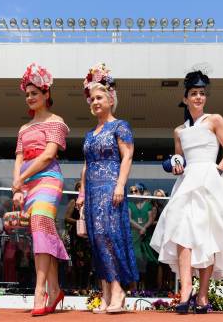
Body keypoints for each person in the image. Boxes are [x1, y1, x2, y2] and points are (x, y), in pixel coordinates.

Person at [151, 70, 223, 314]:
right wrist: (174, 165)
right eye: (194, 93)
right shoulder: (179, 130)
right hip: (187, 183)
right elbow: (179, 160)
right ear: (185, 98)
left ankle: (203, 295)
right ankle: (185, 291)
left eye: (202, 93)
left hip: (211, 180)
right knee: (181, 234)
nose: (199, 97)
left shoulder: (215, 120)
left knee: (208, 236)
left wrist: (218, 170)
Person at [76, 63, 138, 314]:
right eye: (92, 99)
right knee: (96, 239)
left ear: (111, 99)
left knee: (110, 236)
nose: (95, 102)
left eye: (99, 97)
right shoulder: (90, 133)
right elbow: (85, 165)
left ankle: (118, 290)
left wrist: (121, 185)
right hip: (91, 191)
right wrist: (81, 195)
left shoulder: (119, 126)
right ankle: (105, 293)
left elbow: (128, 156)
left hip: (111, 187)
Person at [12, 63, 69, 315]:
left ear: (46, 94)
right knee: (42, 230)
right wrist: (17, 187)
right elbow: (19, 159)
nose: (30, 97)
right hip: (28, 184)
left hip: (49, 180)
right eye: (27, 94)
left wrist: (21, 178)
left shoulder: (57, 122)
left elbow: (47, 156)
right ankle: (55, 290)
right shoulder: (23, 129)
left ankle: (40, 290)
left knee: (40, 223)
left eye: (35, 92)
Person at [64, 181, 92, 292]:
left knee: (88, 264)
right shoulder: (74, 201)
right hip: (76, 238)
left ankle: (85, 288)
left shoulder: (90, 203)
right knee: (76, 264)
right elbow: (66, 218)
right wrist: (79, 223)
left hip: (87, 238)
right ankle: (75, 288)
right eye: (82, 188)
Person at [128, 184, 157, 291]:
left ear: (140, 192)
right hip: (134, 235)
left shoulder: (148, 205)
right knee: (134, 260)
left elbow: (151, 218)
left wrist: (144, 228)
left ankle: (144, 288)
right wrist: (141, 227)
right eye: (131, 191)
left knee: (145, 261)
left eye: (135, 191)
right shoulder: (129, 204)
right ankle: (134, 288)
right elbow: (129, 219)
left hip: (145, 236)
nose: (133, 193)